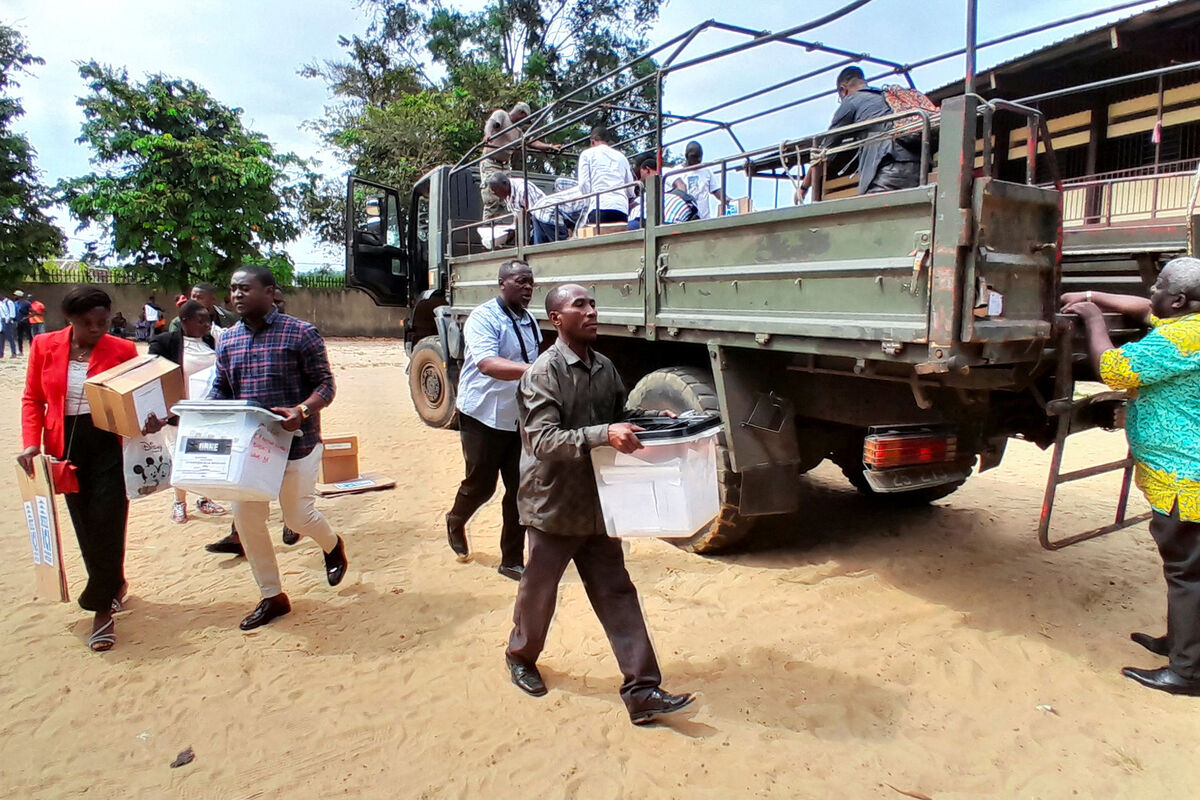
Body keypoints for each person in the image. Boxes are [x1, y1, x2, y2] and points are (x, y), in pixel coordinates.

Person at [505, 282, 696, 725]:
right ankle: (520, 656)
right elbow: (541, 439)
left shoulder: (604, 367)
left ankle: (642, 690)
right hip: (552, 505)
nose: (592, 311)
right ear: (556, 319)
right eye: (580, 305)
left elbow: (618, 418)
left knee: (616, 591)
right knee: (540, 592)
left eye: (592, 303)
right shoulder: (542, 373)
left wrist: (650, 421)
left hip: (597, 501)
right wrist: (602, 434)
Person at [1061, 257, 1200, 696]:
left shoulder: (1181, 339)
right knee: (1188, 568)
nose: (1151, 292)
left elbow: (1115, 369)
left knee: (1187, 573)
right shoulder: (1188, 321)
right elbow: (1143, 308)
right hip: (1182, 474)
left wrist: (1092, 319)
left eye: (1158, 285)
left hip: (1186, 477)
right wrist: (1090, 295)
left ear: (1178, 301)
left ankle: (1188, 672)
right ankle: (1182, 645)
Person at [209, 265, 348, 630]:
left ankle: (333, 546)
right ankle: (272, 596)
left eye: (246, 288)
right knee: (248, 520)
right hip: (249, 451)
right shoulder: (227, 340)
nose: (237, 295)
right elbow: (221, 389)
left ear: (270, 292)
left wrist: (301, 410)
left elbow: (326, 386)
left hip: (297, 446)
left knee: (297, 518)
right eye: (233, 289)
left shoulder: (301, 333)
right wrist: (203, 413)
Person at [18, 286, 139, 651]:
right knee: (86, 523)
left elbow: (136, 398)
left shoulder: (123, 349)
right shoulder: (44, 346)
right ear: (70, 320)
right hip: (64, 445)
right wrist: (31, 443)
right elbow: (32, 398)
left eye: (103, 322)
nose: (97, 329)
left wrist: (146, 419)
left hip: (108, 443)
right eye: (88, 324)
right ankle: (114, 583)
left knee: (108, 519)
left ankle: (100, 609)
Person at [446, 260, 541, 581]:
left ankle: (511, 559)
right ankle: (456, 520)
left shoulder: (529, 320)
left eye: (531, 282)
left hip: (517, 418)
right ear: (502, 283)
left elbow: (532, 361)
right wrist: (537, 370)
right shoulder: (483, 318)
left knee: (520, 491)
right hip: (482, 416)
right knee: (481, 486)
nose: (528, 288)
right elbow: (488, 364)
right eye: (520, 281)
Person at [148, 300, 226, 524]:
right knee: (180, 459)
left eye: (208, 320)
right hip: (179, 414)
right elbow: (153, 372)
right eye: (200, 320)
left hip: (209, 413)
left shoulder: (212, 341)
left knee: (208, 457)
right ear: (184, 321)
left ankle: (205, 498)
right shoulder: (167, 343)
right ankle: (179, 502)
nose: (206, 324)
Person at [800, 66, 921, 198]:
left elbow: (823, 153)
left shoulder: (851, 101)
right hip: (918, 167)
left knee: (870, 215)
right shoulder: (887, 97)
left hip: (888, 168)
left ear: (843, 90)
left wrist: (803, 187)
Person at [480, 102, 560, 220]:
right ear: (521, 113)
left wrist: (549, 146)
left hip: (505, 166)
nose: (525, 123)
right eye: (525, 119)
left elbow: (531, 142)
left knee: (505, 198)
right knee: (492, 199)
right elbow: (490, 124)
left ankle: (501, 230)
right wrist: (487, 135)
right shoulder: (502, 115)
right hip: (491, 163)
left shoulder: (518, 132)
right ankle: (487, 230)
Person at [576, 125, 635, 226]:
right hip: (621, 208)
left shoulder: (587, 154)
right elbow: (630, 188)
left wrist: (590, 199)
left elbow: (583, 184)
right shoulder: (621, 157)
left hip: (599, 206)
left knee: (598, 241)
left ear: (592, 141)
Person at [629, 156, 700, 230]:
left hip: (666, 215)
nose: (640, 179)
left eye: (640, 174)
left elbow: (681, 186)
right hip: (646, 218)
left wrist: (677, 200)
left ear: (647, 170)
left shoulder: (663, 172)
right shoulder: (647, 189)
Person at [666, 142, 727, 219]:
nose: (698, 160)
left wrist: (727, 200)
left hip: (704, 219)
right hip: (686, 218)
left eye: (700, 157)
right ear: (686, 156)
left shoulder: (707, 170)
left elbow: (716, 190)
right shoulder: (676, 172)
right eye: (694, 157)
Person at [170, 282, 234, 333]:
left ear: (212, 299)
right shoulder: (179, 322)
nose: (195, 300)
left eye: (199, 297)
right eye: (193, 297)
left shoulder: (230, 318)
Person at [0, 293, 18, 357]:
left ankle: (13, 353)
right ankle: (1, 353)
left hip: (8, 322)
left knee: (10, 338)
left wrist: (8, 321)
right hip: (1, 321)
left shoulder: (9, 302)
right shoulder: (0, 303)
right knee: (1, 338)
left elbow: (12, 314)